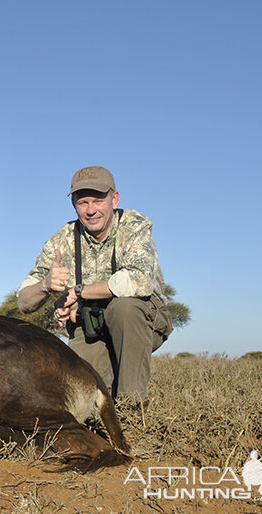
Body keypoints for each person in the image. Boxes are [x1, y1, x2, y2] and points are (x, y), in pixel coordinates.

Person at [16, 166, 172, 402]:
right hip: (92, 327)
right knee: (76, 396)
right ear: (74, 205)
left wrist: (79, 292)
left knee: (124, 308)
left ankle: (131, 409)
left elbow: (139, 280)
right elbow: (24, 302)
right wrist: (45, 285)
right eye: (82, 202)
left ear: (114, 199)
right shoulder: (63, 238)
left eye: (98, 200)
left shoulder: (134, 224)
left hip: (141, 322)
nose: (90, 211)